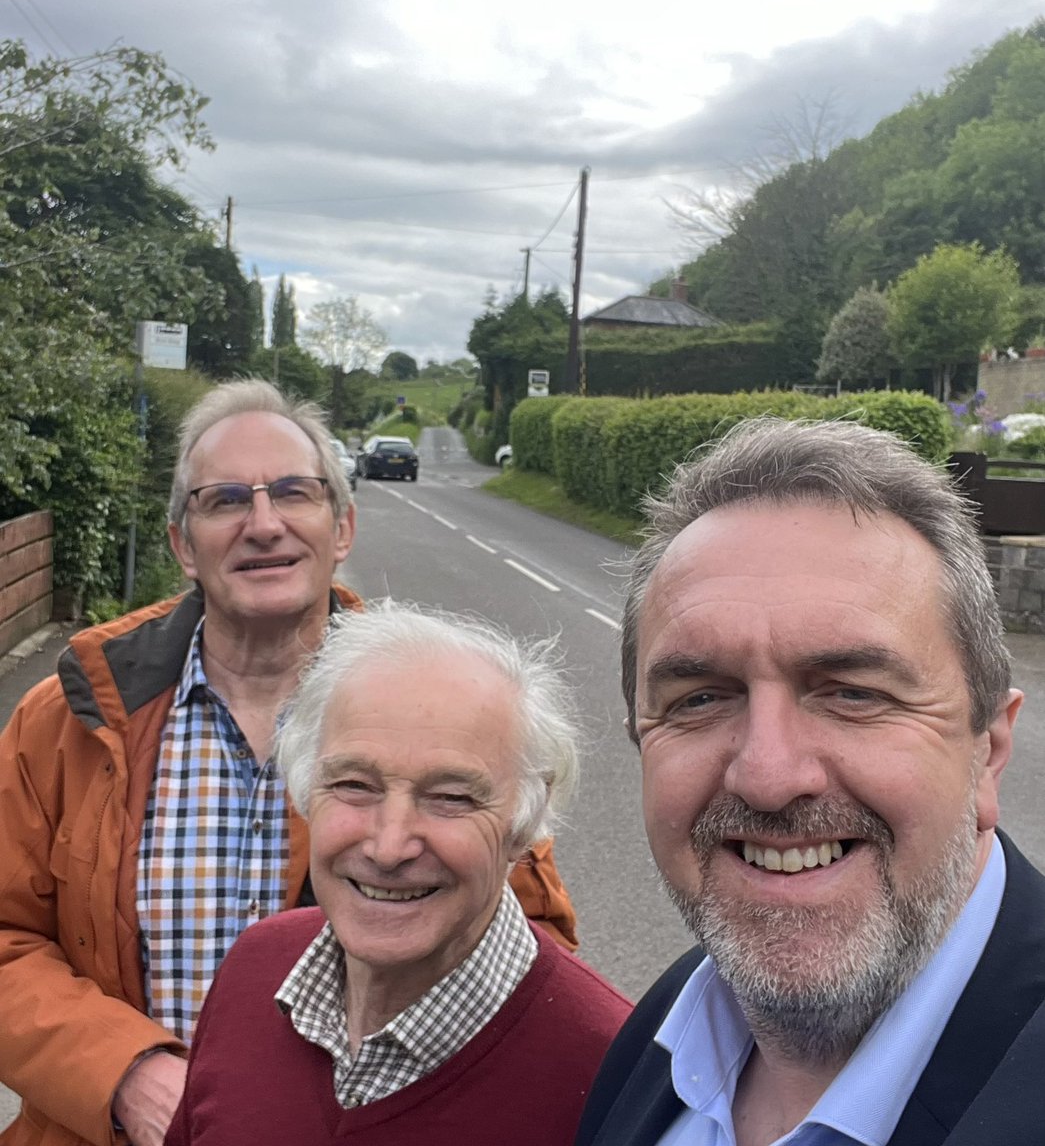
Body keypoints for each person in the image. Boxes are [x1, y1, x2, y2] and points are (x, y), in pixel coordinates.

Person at [0, 379, 576, 1146]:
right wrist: (124, 1074)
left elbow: (531, 946)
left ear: (341, 527)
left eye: (293, 493)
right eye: (226, 498)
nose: (262, 525)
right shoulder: (69, 715)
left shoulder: (441, 706)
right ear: (181, 544)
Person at [577, 417, 1045, 1146]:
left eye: (852, 692)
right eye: (698, 698)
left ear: (986, 747)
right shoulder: (657, 1035)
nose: (767, 776)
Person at [165, 600, 632, 1145]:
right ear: (304, 789)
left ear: (525, 822)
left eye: (450, 797)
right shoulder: (255, 967)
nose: (389, 846)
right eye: (354, 785)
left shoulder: (613, 1076)